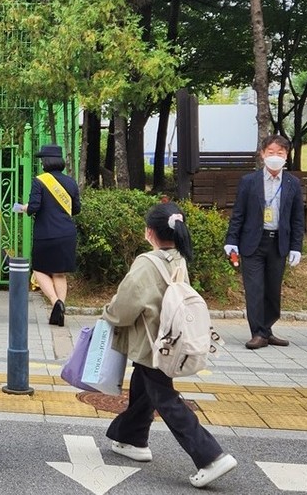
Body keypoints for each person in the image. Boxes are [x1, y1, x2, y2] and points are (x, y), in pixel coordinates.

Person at [102, 202, 238, 488]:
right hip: (171, 341)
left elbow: (126, 305)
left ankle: (210, 456)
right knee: (144, 388)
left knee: (165, 398)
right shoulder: (179, 258)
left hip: (153, 343)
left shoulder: (147, 262)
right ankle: (132, 438)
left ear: (149, 232)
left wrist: (108, 313)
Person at [225, 135, 304, 349]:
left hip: (278, 243)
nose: (275, 157)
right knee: (255, 289)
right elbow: (238, 214)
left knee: (272, 290)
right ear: (262, 154)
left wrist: (296, 246)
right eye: (271, 152)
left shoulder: (293, 183)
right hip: (253, 243)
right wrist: (231, 240)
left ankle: (267, 329)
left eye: (280, 153)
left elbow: (298, 218)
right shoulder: (249, 182)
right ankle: (258, 333)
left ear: (286, 156)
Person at [13, 144, 81, 327]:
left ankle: (55, 302)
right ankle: (61, 307)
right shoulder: (71, 182)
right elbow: (76, 209)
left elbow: (34, 207)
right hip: (67, 233)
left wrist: (26, 207)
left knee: (39, 269)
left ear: (46, 161)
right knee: (59, 273)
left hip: (46, 234)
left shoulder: (39, 181)